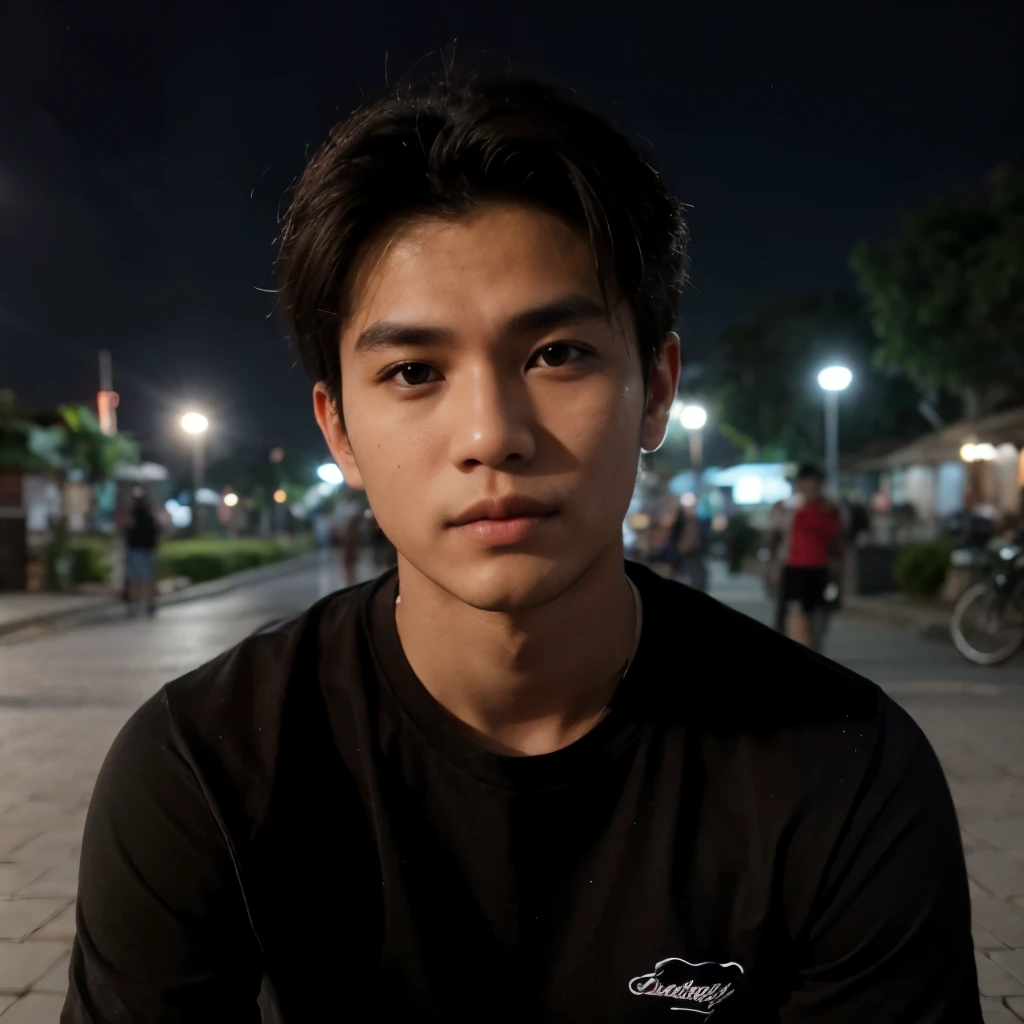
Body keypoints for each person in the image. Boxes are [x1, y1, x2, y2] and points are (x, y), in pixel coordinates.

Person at [64, 70, 980, 1023]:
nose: (491, 434)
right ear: (340, 432)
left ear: (656, 389)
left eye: (558, 355)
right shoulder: (204, 770)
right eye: (414, 371)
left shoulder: (842, 772)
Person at [768, 464, 844, 650]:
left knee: (819, 615)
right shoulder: (787, 507)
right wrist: (774, 567)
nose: (812, 485)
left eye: (816, 481)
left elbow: (838, 542)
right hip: (793, 568)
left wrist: (840, 569)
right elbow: (776, 539)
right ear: (800, 483)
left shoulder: (830, 509)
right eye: (808, 480)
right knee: (793, 614)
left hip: (820, 569)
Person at [123, 487, 160, 617]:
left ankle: (148, 603)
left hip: (146, 550)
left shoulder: (148, 515)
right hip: (135, 550)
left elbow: (156, 531)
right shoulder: (132, 515)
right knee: (135, 579)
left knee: (146, 579)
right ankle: (134, 605)